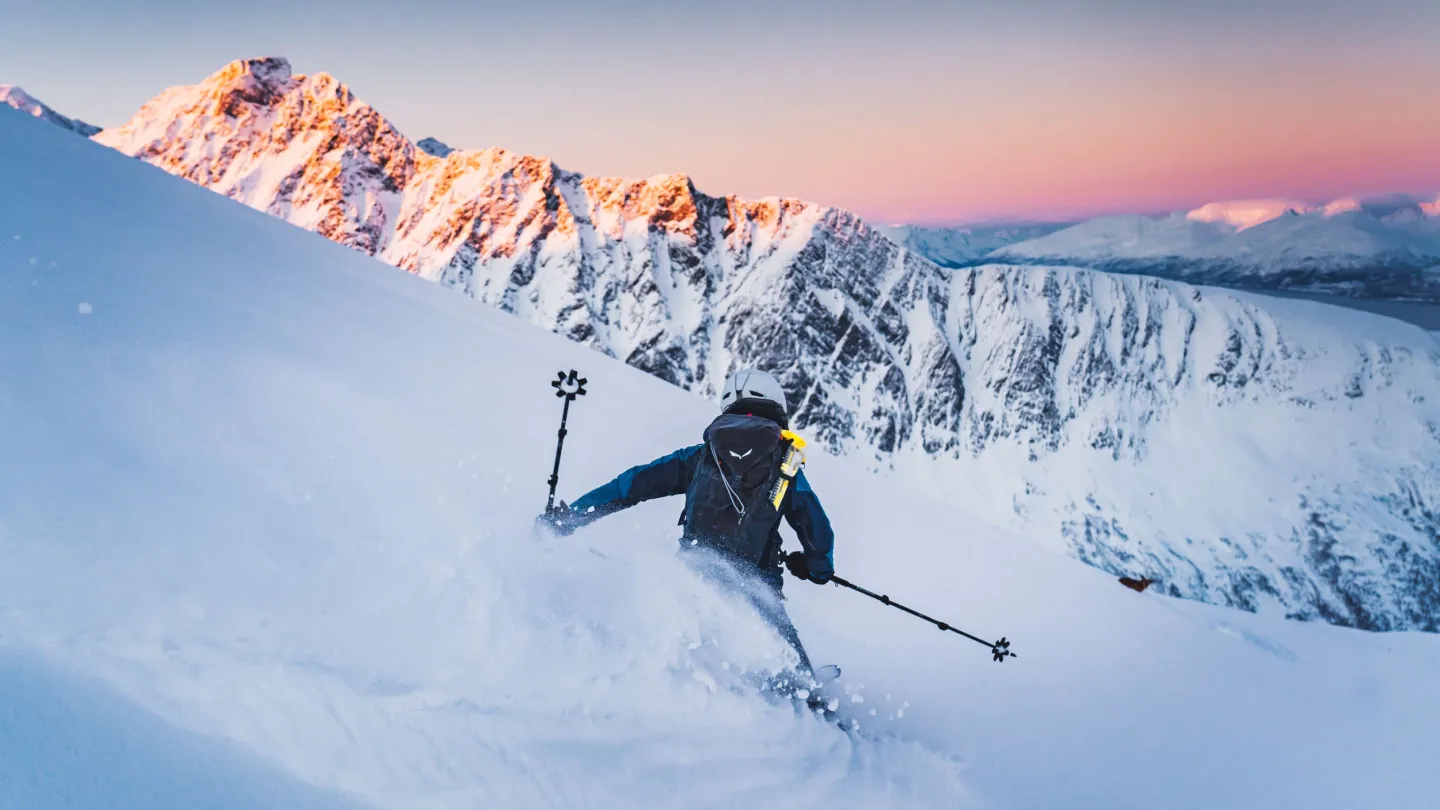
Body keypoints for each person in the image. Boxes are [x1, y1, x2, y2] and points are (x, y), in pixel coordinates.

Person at [537, 368, 835, 684]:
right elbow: (819, 531)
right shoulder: (786, 466)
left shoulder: (700, 457)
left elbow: (631, 486)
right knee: (793, 672)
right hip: (755, 590)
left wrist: (570, 518)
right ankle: (807, 698)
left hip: (691, 580)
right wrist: (816, 568)